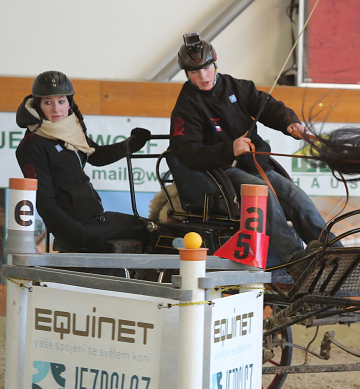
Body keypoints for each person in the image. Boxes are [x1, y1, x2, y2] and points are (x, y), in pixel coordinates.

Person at [169, 32, 334, 266]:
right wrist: (230, 149)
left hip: (256, 165)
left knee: (296, 196)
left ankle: (333, 252)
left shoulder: (238, 87)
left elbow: (268, 107)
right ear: (186, 74)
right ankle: (295, 258)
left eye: (207, 68)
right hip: (220, 174)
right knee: (260, 192)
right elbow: (187, 153)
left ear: (215, 63)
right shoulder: (186, 106)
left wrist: (290, 123)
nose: (203, 76)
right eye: (195, 72)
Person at [15, 70, 151, 252]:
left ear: (69, 103)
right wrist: (86, 240)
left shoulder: (69, 130)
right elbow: (45, 205)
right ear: (38, 106)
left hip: (97, 220)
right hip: (79, 231)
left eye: (61, 101)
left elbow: (96, 155)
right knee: (152, 233)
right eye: (48, 102)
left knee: (154, 230)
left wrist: (130, 145)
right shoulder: (32, 146)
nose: (56, 109)